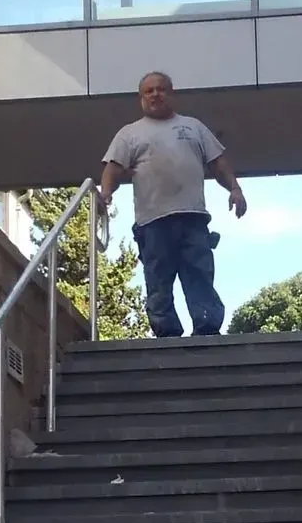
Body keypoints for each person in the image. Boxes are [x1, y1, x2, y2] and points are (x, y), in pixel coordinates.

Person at [99, 71, 247, 338]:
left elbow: (218, 162)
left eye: (161, 89)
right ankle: (166, 333)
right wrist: (105, 194)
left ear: (171, 93)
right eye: (149, 91)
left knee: (199, 274)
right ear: (141, 98)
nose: (155, 94)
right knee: (158, 280)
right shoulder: (130, 134)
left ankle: (207, 327)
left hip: (193, 217)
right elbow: (113, 168)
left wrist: (235, 188)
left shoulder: (193, 127)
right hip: (152, 221)